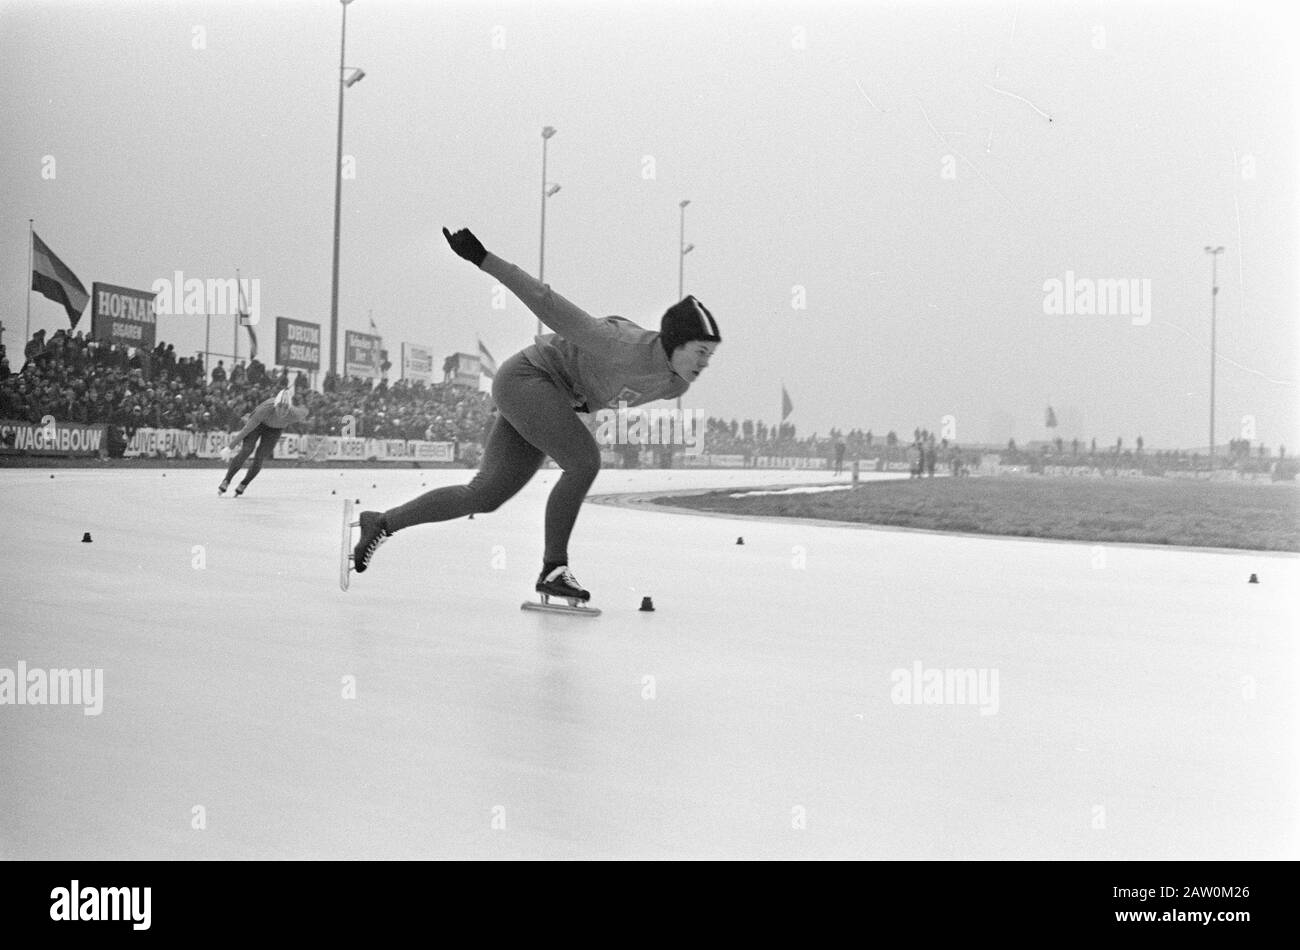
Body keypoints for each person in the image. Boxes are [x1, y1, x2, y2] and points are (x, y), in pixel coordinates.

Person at [350, 226, 721, 605]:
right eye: (700, 351)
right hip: (528, 378)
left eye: (711, 354)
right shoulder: (619, 344)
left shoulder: (675, 385)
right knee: (583, 462)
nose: (705, 363)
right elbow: (547, 303)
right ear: (675, 343)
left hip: (551, 396)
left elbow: (602, 390)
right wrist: (483, 258)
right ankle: (554, 568)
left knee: (485, 495)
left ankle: (380, 522)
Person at [218, 388, 309, 496]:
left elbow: (306, 410)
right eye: (279, 407)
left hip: (275, 430)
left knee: (259, 457)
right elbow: (246, 430)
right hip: (258, 424)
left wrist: (302, 400)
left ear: (289, 408)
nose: (282, 411)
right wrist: (230, 447)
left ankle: (244, 484)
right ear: (275, 405)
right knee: (246, 450)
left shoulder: (296, 414)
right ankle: (227, 480)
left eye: (285, 408)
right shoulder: (264, 410)